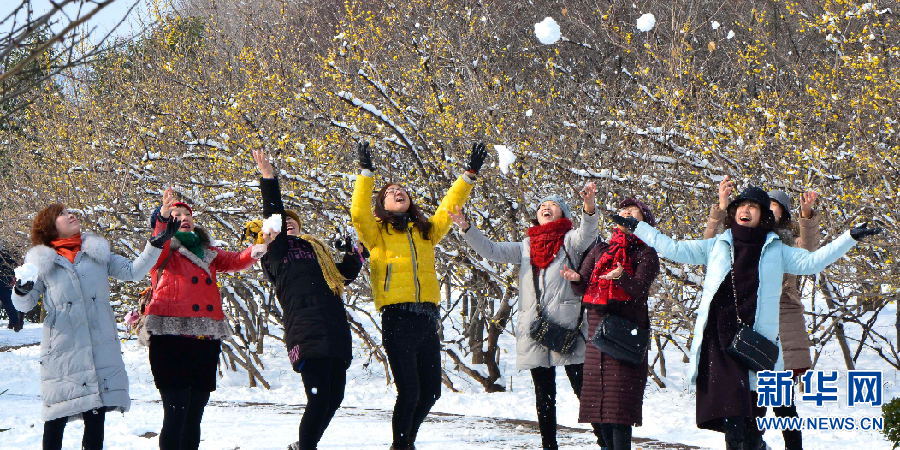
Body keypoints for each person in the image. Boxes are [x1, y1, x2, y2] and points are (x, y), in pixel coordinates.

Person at [610, 186, 881, 449]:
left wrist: (850, 237)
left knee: (752, 422)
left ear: (763, 216)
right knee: (734, 420)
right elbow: (673, 248)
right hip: (719, 342)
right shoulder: (717, 244)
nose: (746, 210)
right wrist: (638, 227)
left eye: (753, 206)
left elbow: (814, 261)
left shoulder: (777, 249)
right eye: (742, 205)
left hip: (753, 345)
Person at [350, 141, 487, 450]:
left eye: (402, 190)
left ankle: (405, 444)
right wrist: (366, 173)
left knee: (431, 393)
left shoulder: (425, 231)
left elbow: (448, 208)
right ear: (382, 204)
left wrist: (468, 175)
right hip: (397, 316)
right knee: (409, 392)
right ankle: (401, 446)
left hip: (426, 316)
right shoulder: (375, 232)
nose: (398, 192)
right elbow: (357, 211)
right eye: (390, 192)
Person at [12, 204, 174, 450]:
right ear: (49, 226)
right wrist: (21, 289)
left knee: (95, 418)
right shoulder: (40, 262)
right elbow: (24, 304)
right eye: (62, 215)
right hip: (63, 353)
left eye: (69, 211)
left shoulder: (96, 252)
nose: (70, 215)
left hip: (99, 348)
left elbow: (133, 271)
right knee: (55, 420)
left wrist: (155, 244)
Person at [450, 183, 599, 450]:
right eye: (542, 205)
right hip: (537, 329)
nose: (545, 207)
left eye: (552, 205)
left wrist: (589, 206)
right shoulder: (526, 246)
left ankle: (605, 440)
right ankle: (548, 445)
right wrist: (466, 228)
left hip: (567, 327)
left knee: (583, 390)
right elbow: (492, 250)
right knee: (544, 394)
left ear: (563, 215)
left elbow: (589, 232)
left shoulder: (570, 241)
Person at [251, 150, 364, 450]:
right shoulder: (276, 253)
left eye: (293, 222)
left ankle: (303, 445)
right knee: (317, 397)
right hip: (305, 329)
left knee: (334, 397)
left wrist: (354, 249)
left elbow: (345, 274)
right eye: (282, 224)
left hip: (334, 328)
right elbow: (274, 214)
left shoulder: (318, 252)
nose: (288, 224)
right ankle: (306, 447)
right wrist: (269, 180)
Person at [704, 177, 821, 450]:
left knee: (782, 404)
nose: (763, 209)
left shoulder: (787, 244)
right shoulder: (740, 239)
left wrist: (807, 217)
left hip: (782, 328)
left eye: (772, 206)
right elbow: (710, 246)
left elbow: (810, 254)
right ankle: (753, 444)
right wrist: (720, 209)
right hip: (746, 328)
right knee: (747, 404)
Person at [143, 189, 264, 450]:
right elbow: (157, 242)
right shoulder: (161, 249)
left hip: (204, 337)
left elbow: (235, 260)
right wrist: (163, 217)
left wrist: (257, 248)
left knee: (194, 413)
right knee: (175, 411)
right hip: (169, 335)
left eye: (188, 214)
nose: (184, 217)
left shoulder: (206, 250)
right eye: (178, 214)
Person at [564, 198, 659, 450]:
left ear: (643, 221)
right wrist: (574, 278)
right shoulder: (600, 250)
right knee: (598, 409)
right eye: (623, 210)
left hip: (627, 333)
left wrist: (622, 276)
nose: (626, 213)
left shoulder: (646, 252)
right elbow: (583, 284)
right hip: (598, 331)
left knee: (619, 411)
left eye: (633, 211)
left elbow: (639, 290)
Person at [1, 242, 23, 331]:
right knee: (8, 303)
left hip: (5, 281)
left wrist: (12, 278)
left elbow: (13, 266)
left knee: (8, 303)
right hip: (6, 280)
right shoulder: (7, 254)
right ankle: (15, 322)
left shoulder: (6, 255)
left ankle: (15, 322)